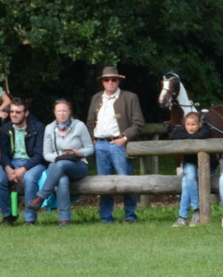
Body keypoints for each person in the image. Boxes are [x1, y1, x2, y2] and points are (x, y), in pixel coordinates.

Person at [86, 66, 143, 224]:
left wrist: (124, 138)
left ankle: (130, 216)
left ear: (119, 81)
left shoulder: (130, 97)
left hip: (118, 144)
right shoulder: (96, 98)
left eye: (113, 79)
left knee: (126, 180)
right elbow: (90, 122)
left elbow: (138, 124)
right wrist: (93, 139)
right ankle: (106, 217)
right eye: (107, 79)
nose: (110, 82)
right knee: (104, 183)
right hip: (100, 144)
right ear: (102, 82)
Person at [30, 100, 92, 226]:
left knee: (61, 165)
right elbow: (46, 154)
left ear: (69, 112)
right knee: (62, 179)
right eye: (59, 111)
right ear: (54, 113)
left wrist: (78, 152)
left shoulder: (79, 126)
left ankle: (41, 197)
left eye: (64, 111)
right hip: (57, 164)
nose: (62, 113)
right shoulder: (49, 128)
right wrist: (60, 157)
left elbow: (90, 149)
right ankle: (64, 219)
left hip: (78, 164)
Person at [165, 109, 223, 226]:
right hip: (190, 165)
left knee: (186, 182)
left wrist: (187, 138)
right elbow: (172, 135)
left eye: (193, 124)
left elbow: (204, 134)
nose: (190, 128)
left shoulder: (206, 130)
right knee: (190, 175)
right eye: (188, 124)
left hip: (207, 167)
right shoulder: (181, 130)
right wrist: (189, 136)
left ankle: (183, 217)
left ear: (199, 124)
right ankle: (197, 209)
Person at [0, 98, 45, 225]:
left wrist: (24, 169)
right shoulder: (6, 128)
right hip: (12, 162)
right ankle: (8, 216)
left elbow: (39, 155)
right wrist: (8, 168)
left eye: (18, 112)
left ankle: (29, 218)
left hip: (33, 162)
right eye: (12, 111)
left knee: (29, 178)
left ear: (26, 113)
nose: (14, 114)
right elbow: (3, 154)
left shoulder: (38, 127)